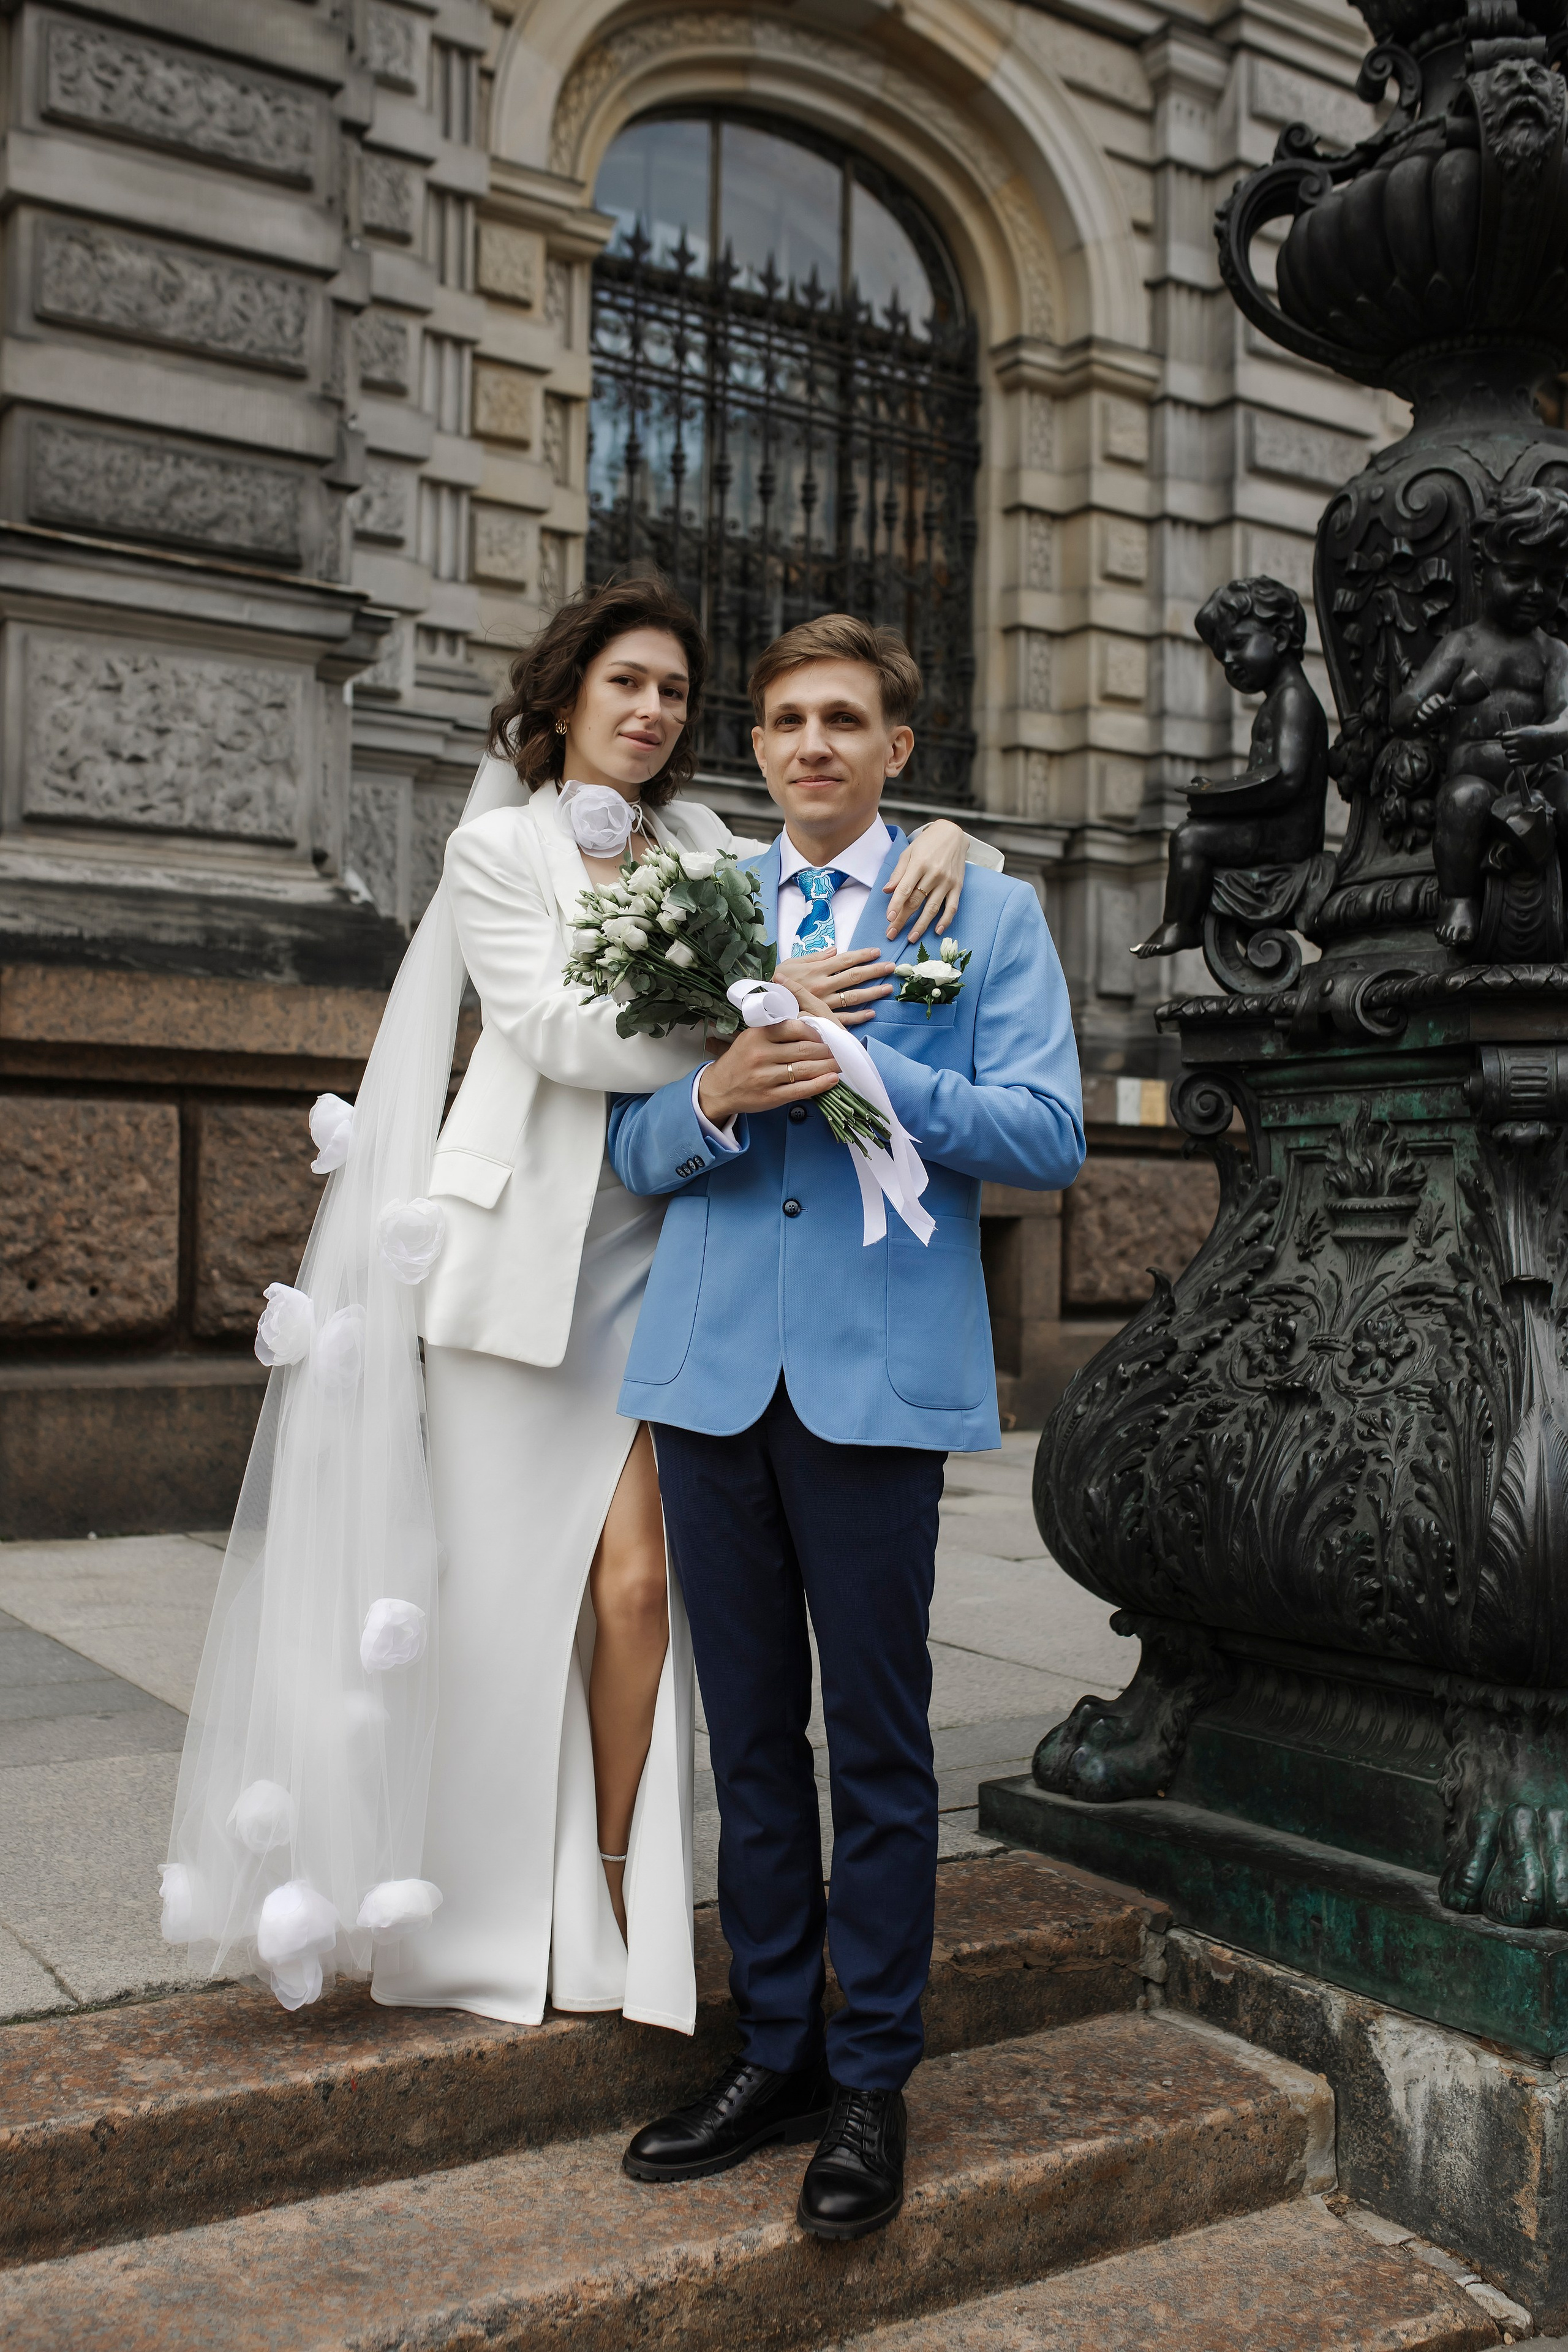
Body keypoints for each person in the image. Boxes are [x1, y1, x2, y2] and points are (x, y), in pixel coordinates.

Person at [161, 575, 991, 2034]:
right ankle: (475, 1916)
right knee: (496, 1607)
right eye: (625, 684)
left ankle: (608, 1899)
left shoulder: (700, 844)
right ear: (562, 703)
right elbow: (550, 1028)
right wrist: (750, 1006)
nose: (651, 709)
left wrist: (941, 834)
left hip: (669, 1257)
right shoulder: (498, 848)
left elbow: (825, 849)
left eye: (672, 689)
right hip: (518, 1268)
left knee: (636, 1590)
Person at [606, 614, 1084, 2236]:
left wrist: (870, 1073)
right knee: (746, 1748)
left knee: (875, 1749)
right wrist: (722, 1095)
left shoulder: (980, 906)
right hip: (710, 1375)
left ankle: (874, 2083)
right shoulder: (700, 910)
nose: (813, 745)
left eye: (846, 722)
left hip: (876, 1388)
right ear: (760, 750)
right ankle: (778, 2052)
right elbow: (630, 1149)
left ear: (896, 746)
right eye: (788, 722)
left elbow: (1049, 1133)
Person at [1389, 485, 1568, 950]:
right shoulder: (1462, 646)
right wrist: (1424, 710)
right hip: (1478, 782)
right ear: (1480, 571)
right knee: (1462, 803)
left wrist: (1549, 738)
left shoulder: (1554, 653)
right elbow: (1402, 710)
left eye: (1552, 580)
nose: (1536, 591)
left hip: (1537, 781)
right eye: (1518, 574)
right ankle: (1458, 899)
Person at [1133, 575, 1328, 959]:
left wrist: (1219, 798)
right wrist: (1218, 792)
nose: (1230, 661)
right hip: (1272, 826)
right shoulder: (1278, 701)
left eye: (1238, 644)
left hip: (1287, 837)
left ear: (1282, 636)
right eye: (1223, 655)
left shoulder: (1294, 700)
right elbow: (1266, 775)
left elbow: (1286, 779)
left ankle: (1181, 925)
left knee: (1191, 839)